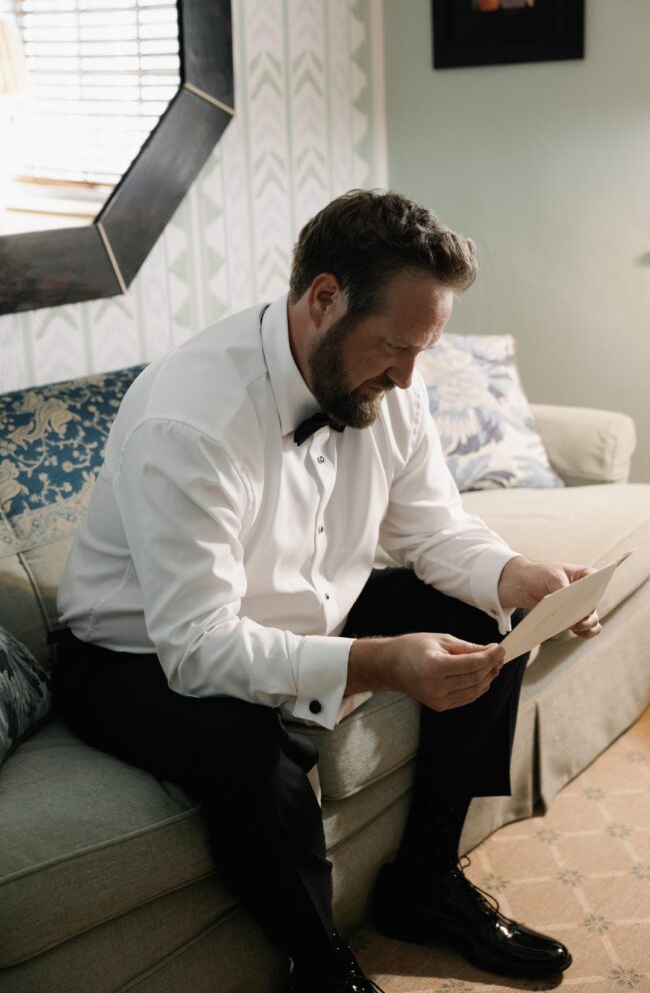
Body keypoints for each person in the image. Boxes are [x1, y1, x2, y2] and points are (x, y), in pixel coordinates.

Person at [53, 189, 601, 993]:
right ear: (323, 299)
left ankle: (424, 885)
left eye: (423, 351)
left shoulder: (384, 384)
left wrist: (515, 576)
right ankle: (320, 965)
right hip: (135, 651)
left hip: (306, 607)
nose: (410, 378)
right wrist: (378, 661)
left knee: (491, 617)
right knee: (250, 754)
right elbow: (200, 647)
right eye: (395, 347)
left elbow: (430, 529)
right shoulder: (192, 423)